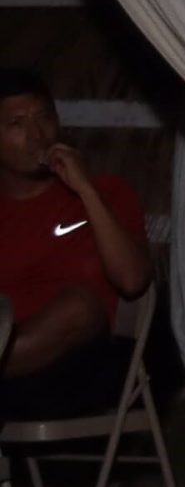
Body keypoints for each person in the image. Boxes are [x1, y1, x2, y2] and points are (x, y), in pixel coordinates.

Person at [0, 67, 153, 421]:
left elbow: (132, 280)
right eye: (17, 125)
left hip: (82, 366)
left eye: (44, 118)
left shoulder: (106, 192)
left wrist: (85, 190)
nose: (37, 135)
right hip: (12, 375)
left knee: (79, 305)